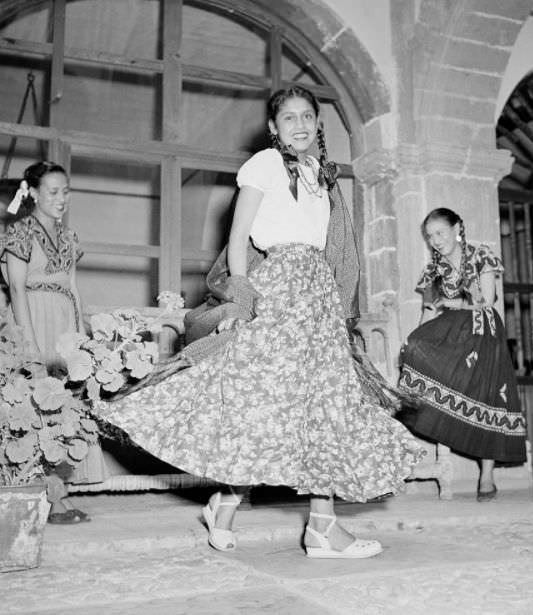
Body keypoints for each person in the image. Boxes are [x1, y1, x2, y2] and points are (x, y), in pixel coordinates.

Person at [93, 85, 424, 558]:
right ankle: (226, 505)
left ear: (317, 124)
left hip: (318, 302)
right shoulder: (263, 166)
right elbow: (238, 238)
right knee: (261, 407)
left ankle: (321, 527)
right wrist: (241, 305)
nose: (300, 124)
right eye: (288, 118)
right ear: (273, 128)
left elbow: (334, 252)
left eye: (307, 115)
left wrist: (335, 312)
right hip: (277, 294)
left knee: (323, 408)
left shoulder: (321, 175)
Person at [0, 161, 106, 523]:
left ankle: (59, 494)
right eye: (53, 192)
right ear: (31, 193)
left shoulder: (69, 238)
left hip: (63, 326)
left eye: (66, 191)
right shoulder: (19, 233)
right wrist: (28, 344)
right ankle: (42, 499)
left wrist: (80, 339)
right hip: (31, 321)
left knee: (66, 414)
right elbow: (16, 288)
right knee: (36, 413)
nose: (62, 198)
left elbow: (73, 288)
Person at [397, 208, 527, 501]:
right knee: (415, 347)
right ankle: (440, 420)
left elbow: (489, 300)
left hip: (484, 332)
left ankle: (487, 476)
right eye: (430, 237)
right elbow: (429, 310)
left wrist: (457, 304)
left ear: (457, 228)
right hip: (452, 333)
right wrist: (412, 342)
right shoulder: (433, 269)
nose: (435, 241)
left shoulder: (482, 255)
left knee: (487, 397)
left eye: (440, 233)